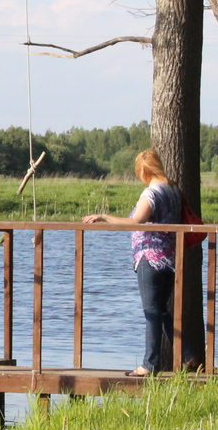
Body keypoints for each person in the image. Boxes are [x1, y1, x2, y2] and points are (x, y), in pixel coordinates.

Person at [82, 148, 195, 376]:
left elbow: (136, 221)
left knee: (152, 311)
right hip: (169, 257)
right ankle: (188, 355)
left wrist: (104, 217)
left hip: (150, 257)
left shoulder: (152, 193)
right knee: (162, 312)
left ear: (144, 170)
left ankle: (149, 364)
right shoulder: (174, 189)